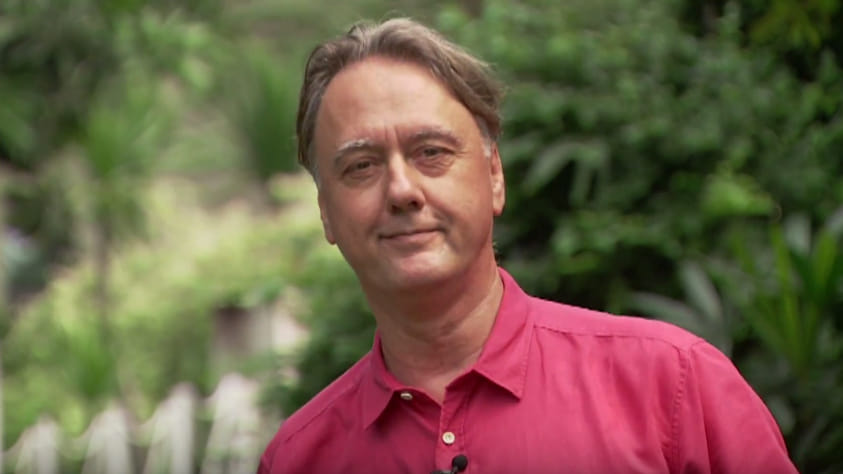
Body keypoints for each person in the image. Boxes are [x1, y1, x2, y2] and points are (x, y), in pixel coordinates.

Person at [258, 18, 797, 474]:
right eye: (361, 166)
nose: (402, 190)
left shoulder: (672, 388)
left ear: (494, 174)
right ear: (326, 211)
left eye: (431, 152)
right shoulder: (298, 458)